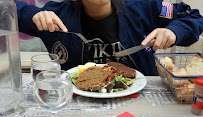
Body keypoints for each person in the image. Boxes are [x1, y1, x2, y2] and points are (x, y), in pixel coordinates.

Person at [15, 0, 203, 75]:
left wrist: (173, 31)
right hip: (79, 106)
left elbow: (193, 17)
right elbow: (7, 9)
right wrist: (32, 13)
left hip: (140, 100)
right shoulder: (56, 16)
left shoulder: (145, 6)